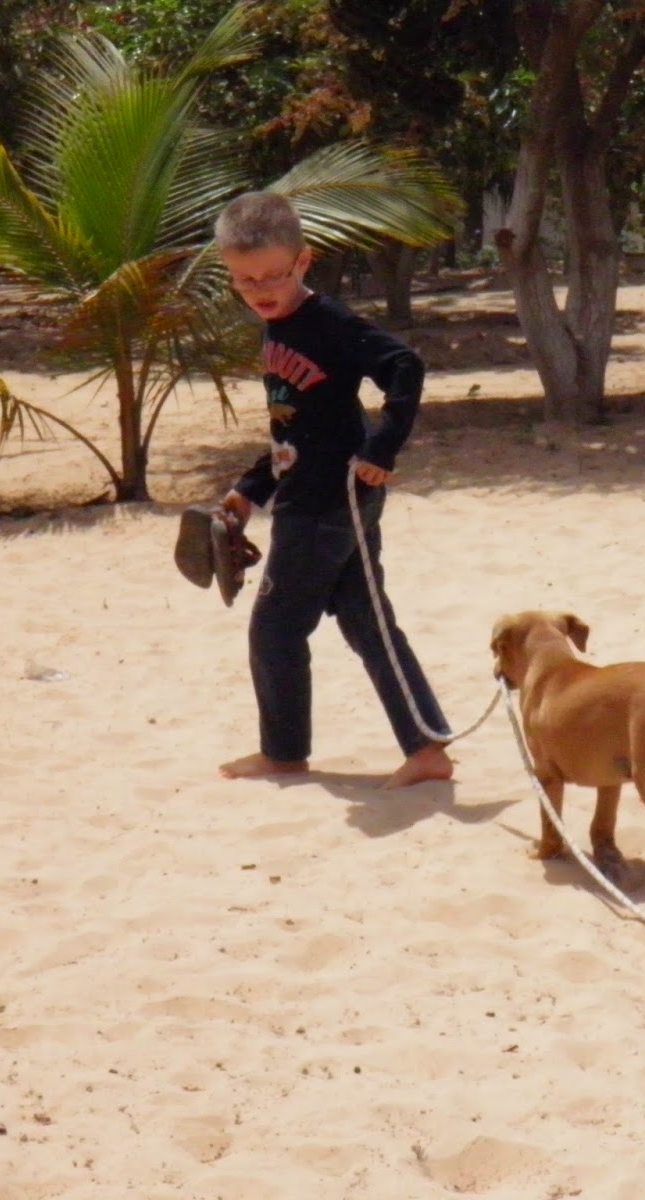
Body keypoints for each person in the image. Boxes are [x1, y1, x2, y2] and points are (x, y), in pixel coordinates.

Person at [211, 190, 453, 788]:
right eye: (245, 280)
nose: (260, 289)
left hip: (327, 502)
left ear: (303, 261)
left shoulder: (330, 323)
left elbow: (405, 366)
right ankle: (427, 750)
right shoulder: (278, 329)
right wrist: (251, 488)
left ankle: (284, 754)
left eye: (273, 275)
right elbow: (297, 427)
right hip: (321, 493)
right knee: (367, 622)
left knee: (276, 628)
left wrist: (382, 448)